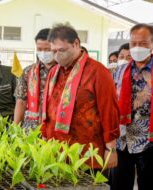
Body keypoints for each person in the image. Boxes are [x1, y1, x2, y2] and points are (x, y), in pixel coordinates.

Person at [41, 23, 120, 169]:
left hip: (87, 154)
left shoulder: (97, 72)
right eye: (54, 51)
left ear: (76, 44)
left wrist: (111, 149)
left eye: (62, 50)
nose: (57, 55)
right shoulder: (54, 72)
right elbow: (46, 109)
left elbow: (109, 112)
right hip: (56, 152)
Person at [115, 23, 153, 190]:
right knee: (119, 185)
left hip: (149, 141)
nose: (137, 48)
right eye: (133, 43)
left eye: (143, 43)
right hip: (122, 140)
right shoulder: (119, 70)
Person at [14, 28, 56, 132]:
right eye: (39, 49)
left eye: (47, 49)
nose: (43, 53)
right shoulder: (28, 72)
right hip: (32, 128)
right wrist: (15, 129)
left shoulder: (66, 72)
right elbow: (21, 102)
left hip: (57, 127)